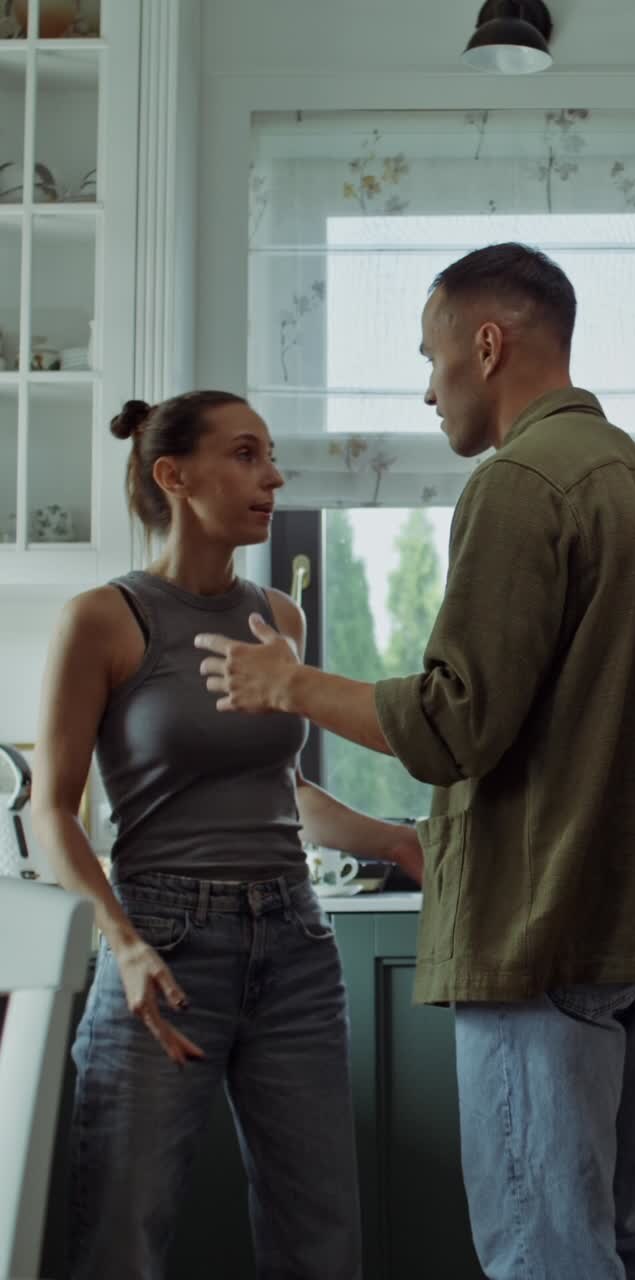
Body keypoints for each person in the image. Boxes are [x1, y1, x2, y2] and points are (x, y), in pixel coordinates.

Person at [194, 244, 635, 1280]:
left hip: (543, 931)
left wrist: (290, 684)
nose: (428, 391)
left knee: (543, 1251)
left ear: (487, 345)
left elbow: (454, 723)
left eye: (432, 360)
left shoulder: (520, 482)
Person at [31, 389, 423, 1280]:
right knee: (123, 1239)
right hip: (162, 950)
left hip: (294, 947)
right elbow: (51, 810)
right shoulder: (103, 620)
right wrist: (124, 943)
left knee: (320, 1241)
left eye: (271, 455)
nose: (274, 476)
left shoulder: (280, 620)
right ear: (173, 475)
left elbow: (282, 789)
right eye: (246, 455)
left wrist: (396, 842)